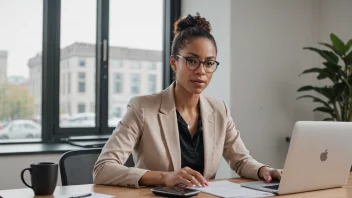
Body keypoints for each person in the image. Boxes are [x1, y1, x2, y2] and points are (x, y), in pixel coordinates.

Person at [93, 13, 282, 188]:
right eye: (192, 61)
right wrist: (164, 177)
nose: (201, 71)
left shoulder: (219, 110)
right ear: (174, 62)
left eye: (209, 63)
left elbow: (241, 161)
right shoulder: (142, 108)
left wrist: (264, 170)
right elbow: (103, 168)